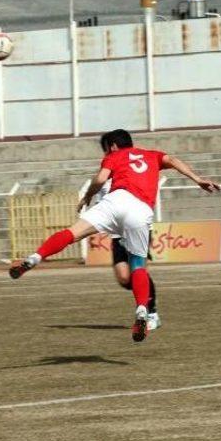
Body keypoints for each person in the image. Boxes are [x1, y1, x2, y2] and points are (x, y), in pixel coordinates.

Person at [9, 129, 220, 342]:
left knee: (72, 233)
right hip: (139, 209)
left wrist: (88, 196)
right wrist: (198, 179)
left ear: (112, 146)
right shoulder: (152, 154)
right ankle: (141, 311)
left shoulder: (113, 156)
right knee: (138, 266)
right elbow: (173, 160)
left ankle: (34, 258)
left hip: (115, 201)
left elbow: (100, 179)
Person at [93, 134, 160, 332]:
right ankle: (145, 298)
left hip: (136, 228)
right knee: (124, 278)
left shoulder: (131, 170)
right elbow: (104, 208)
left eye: (107, 148)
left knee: (138, 269)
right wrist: (98, 233)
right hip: (116, 234)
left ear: (113, 147)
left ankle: (151, 311)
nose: (107, 153)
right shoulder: (105, 177)